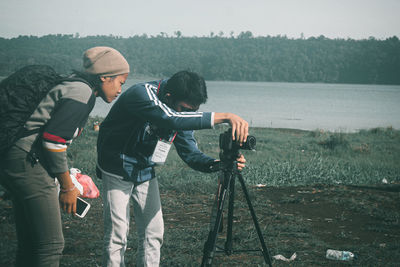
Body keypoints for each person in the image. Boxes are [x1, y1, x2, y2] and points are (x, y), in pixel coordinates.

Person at [97, 70, 249, 267]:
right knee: (117, 235)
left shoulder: (179, 111)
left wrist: (220, 165)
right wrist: (226, 116)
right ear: (168, 97)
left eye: (192, 111)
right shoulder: (141, 94)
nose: (188, 115)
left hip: (144, 170)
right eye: (185, 109)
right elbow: (171, 118)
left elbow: (191, 154)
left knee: (154, 232)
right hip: (116, 167)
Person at [0, 46, 130, 267]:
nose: (120, 90)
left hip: (15, 157)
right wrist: (67, 187)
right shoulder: (82, 92)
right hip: (25, 160)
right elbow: (53, 141)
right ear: (105, 77)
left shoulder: (72, 85)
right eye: (120, 82)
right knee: (50, 245)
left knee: (32, 242)